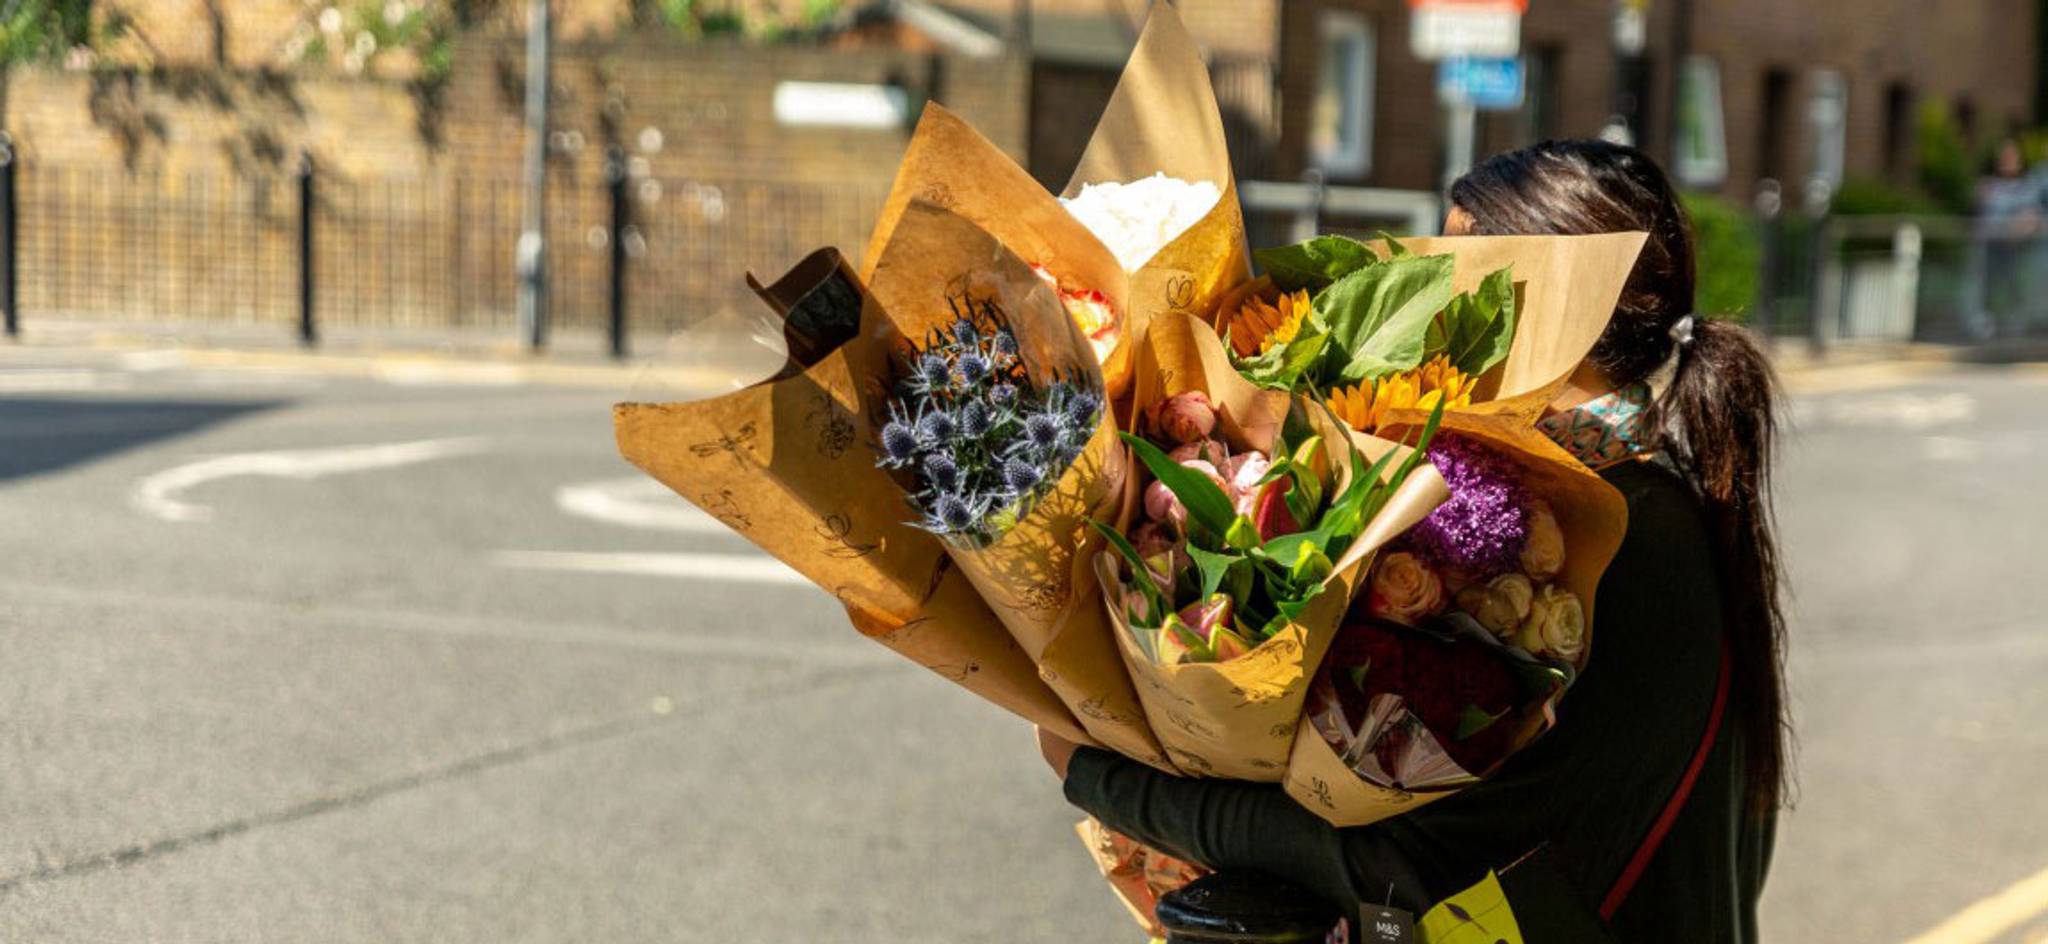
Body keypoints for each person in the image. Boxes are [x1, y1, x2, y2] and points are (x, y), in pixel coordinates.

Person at [1037, 140, 1787, 943]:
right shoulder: (1620, 495)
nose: (1424, 312)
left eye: (1448, 273)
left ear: (1535, 300)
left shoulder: (1617, 541)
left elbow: (1418, 863)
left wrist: (1102, 775)